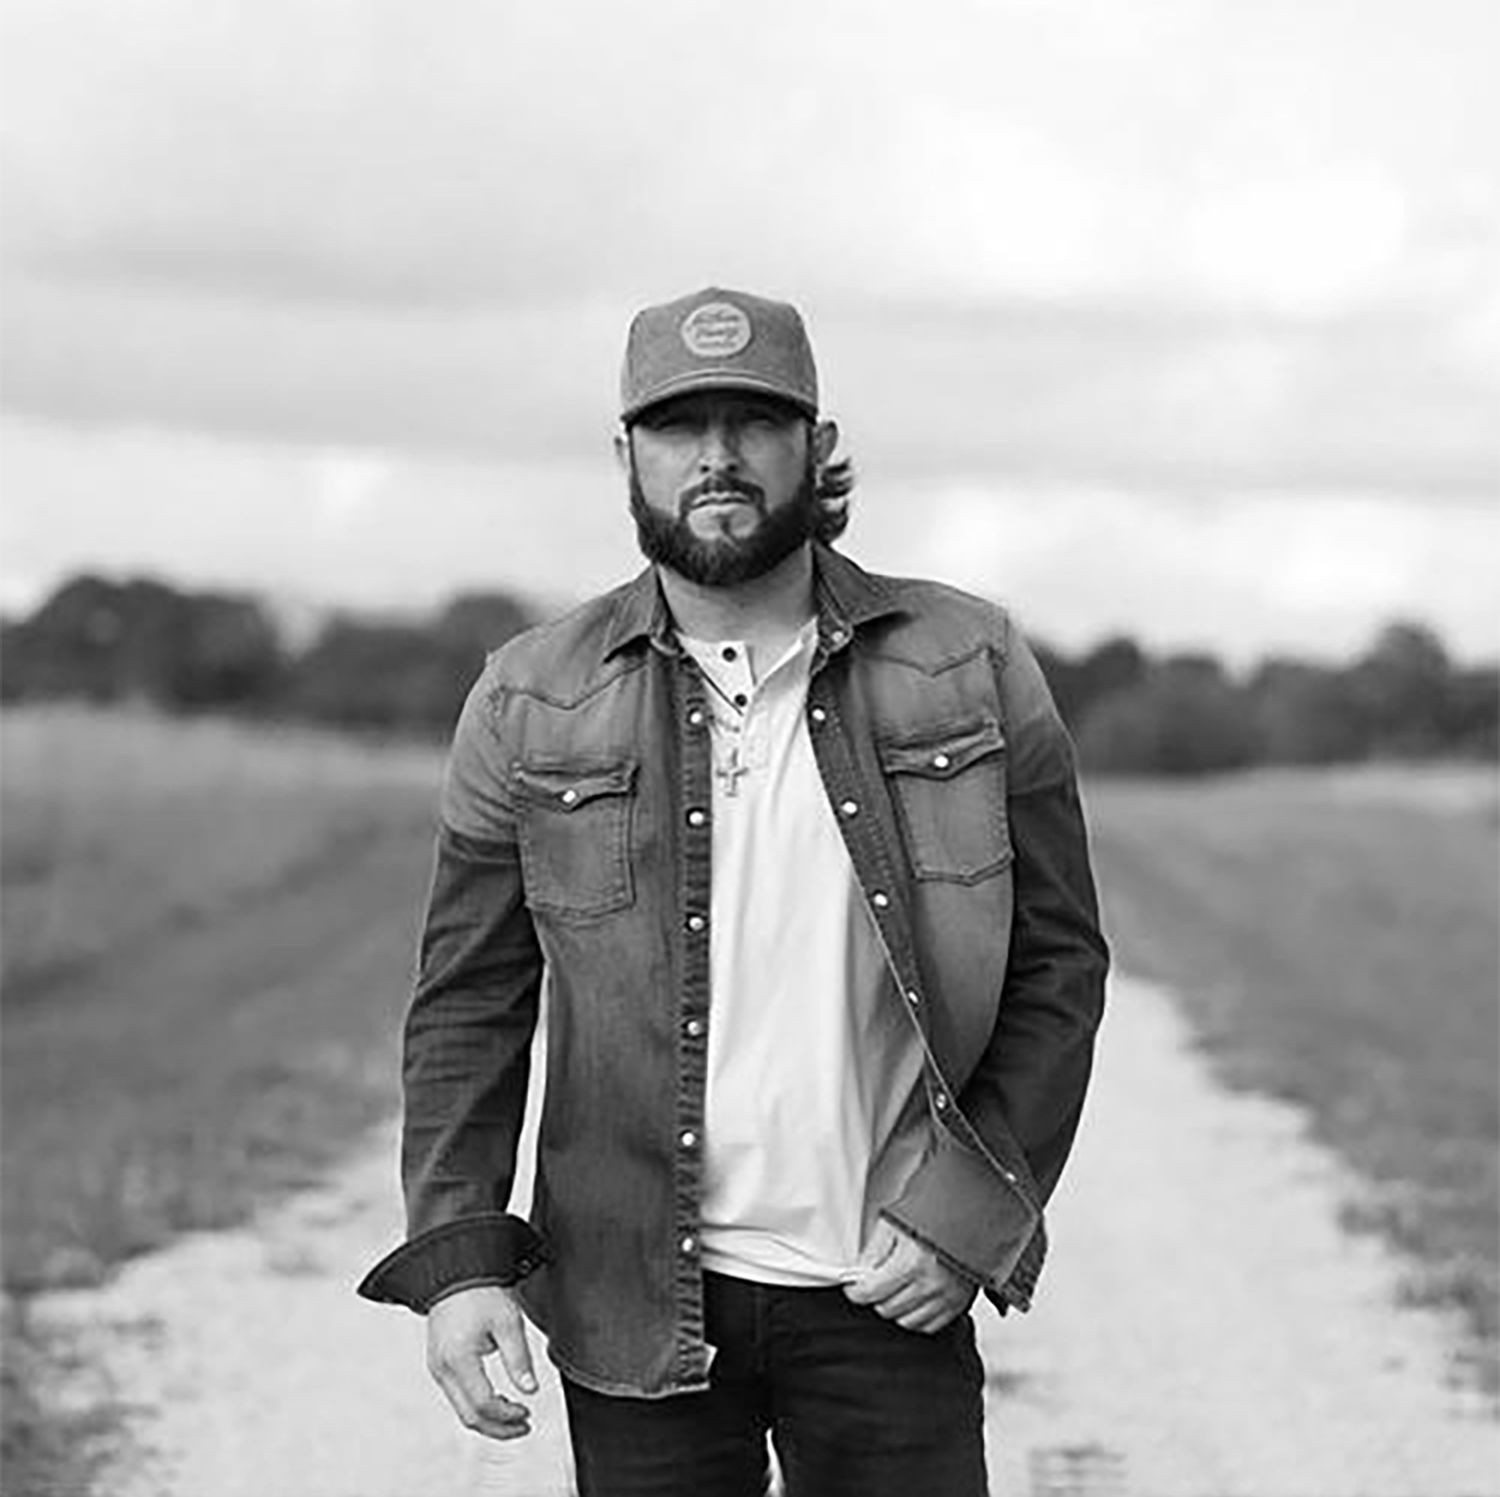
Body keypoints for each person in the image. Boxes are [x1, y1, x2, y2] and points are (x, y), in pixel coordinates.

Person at [358, 286, 1109, 1496]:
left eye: (752, 421)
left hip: (890, 1288)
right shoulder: (528, 698)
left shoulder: (969, 664)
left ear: (813, 445)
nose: (716, 457)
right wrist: (459, 1265)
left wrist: (969, 1211)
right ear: (626, 456)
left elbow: (1058, 966)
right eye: (676, 426)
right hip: (634, 1307)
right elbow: (466, 1005)